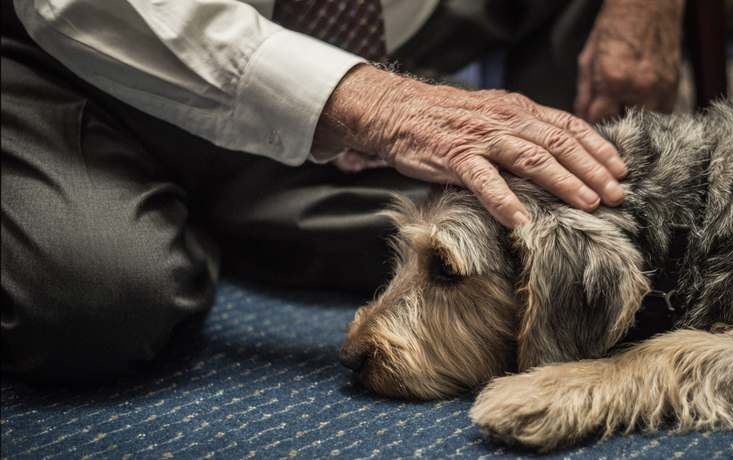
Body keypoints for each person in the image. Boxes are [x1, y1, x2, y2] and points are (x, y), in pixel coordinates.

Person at [1, 0, 683, 382]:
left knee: (544, 253)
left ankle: (263, 206)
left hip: (392, 33)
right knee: (94, 302)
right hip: (86, 56)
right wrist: (377, 106)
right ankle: (220, 207)